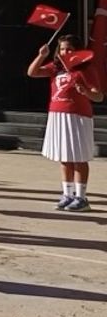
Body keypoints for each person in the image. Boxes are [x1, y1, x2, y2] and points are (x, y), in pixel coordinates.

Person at [27, 35, 103, 212]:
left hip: (78, 116)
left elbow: (98, 96)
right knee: (64, 157)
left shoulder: (86, 69)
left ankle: (81, 197)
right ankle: (67, 194)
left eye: (69, 49)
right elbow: (32, 72)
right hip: (57, 114)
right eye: (62, 49)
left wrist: (85, 92)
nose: (65, 52)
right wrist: (41, 55)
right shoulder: (56, 68)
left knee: (79, 158)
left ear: (77, 50)